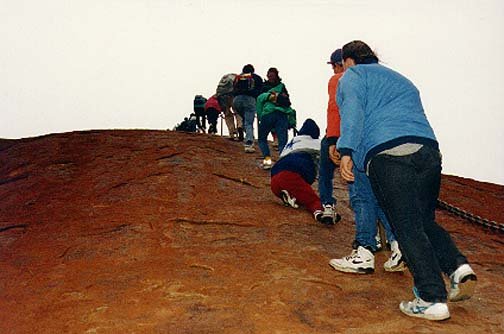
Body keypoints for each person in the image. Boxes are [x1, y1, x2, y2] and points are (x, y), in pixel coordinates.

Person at [334, 40, 477, 321]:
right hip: (428, 151)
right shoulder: (401, 79)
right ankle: (458, 268)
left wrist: (347, 150)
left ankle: (430, 298)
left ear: (349, 60)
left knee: (406, 226)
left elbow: (353, 112)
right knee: (424, 220)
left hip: (389, 155)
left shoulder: (353, 76)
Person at [322, 49, 405, 272]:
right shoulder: (384, 78)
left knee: (361, 195)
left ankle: (364, 251)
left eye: (334, 64)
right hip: (386, 143)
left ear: (344, 62)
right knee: (379, 197)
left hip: (358, 143)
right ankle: (398, 246)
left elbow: (337, 110)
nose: (334, 69)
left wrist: (334, 141)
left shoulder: (342, 79)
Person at [270, 119, 339, 225]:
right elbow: (329, 152)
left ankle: (290, 196)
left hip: (274, 180)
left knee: (299, 191)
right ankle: (320, 213)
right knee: (312, 199)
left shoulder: (292, 142)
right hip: (292, 176)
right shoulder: (314, 142)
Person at [256, 67, 295, 169]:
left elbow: (259, 102)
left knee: (262, 139)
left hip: (268, 114)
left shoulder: (264, 89)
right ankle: (283, 164)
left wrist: (261, 117)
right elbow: (288, 104)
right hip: (282, 115)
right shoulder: (282, 87)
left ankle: (267, 161)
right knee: (283, 142)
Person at [232, 64, 263, 153]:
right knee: (249, 122)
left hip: (236, 100)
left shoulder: (238, 77)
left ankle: (249, 135)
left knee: (245, 119)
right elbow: (260, 91)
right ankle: (249, 143)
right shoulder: (256, 78)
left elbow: (233, 89)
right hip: (250, 100)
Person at [216, 73, 244, 141]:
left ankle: (231, 133)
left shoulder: (223, 79)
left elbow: (218, 91)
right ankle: (240, 126)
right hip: (233, 95)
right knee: (237, 112)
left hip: (222, 96)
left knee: (227, 114)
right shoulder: (236, 77)